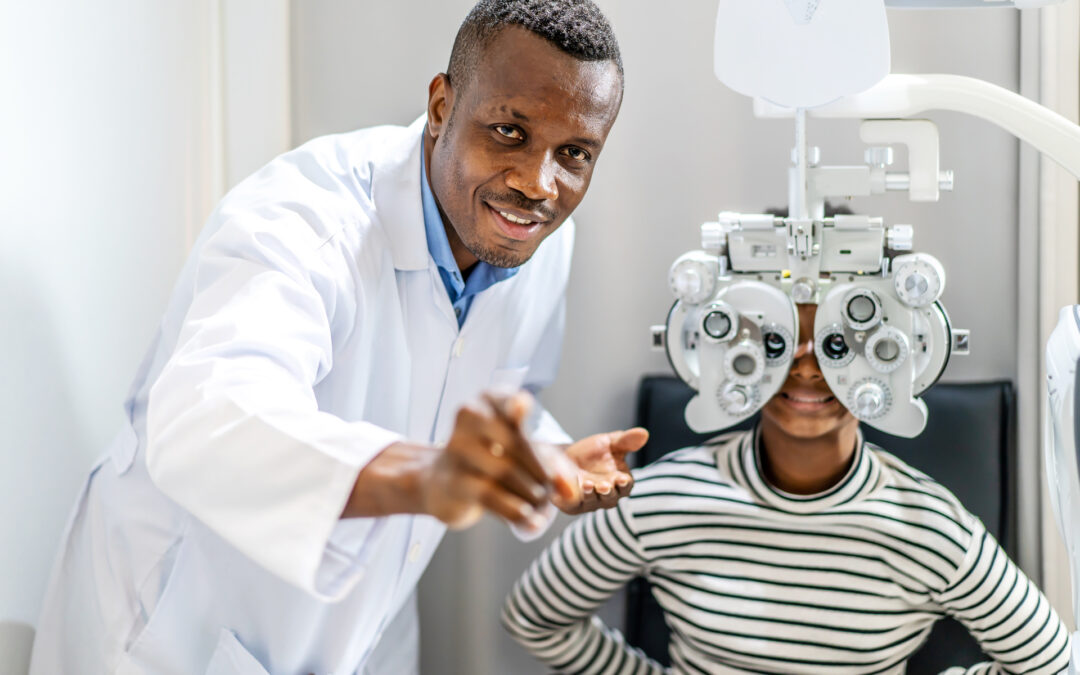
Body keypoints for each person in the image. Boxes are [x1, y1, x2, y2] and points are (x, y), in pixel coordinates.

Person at [29, 2, 643, 674]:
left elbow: (491, 387)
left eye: (574, 153)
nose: (537, 183)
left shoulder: (534, 242)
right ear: (442, 105)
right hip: (174, 633)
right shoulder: (304, 221)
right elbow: (206, 416)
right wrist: (427, 474)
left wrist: (544, 453)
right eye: (508, 131)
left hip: (360, 623)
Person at [503, 303, 1071, 674]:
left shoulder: (930, 528)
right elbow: (535, 616)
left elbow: (1055, 665)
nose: (806, 365)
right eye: (776, 340)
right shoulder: (665, 497)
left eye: (836, 341)